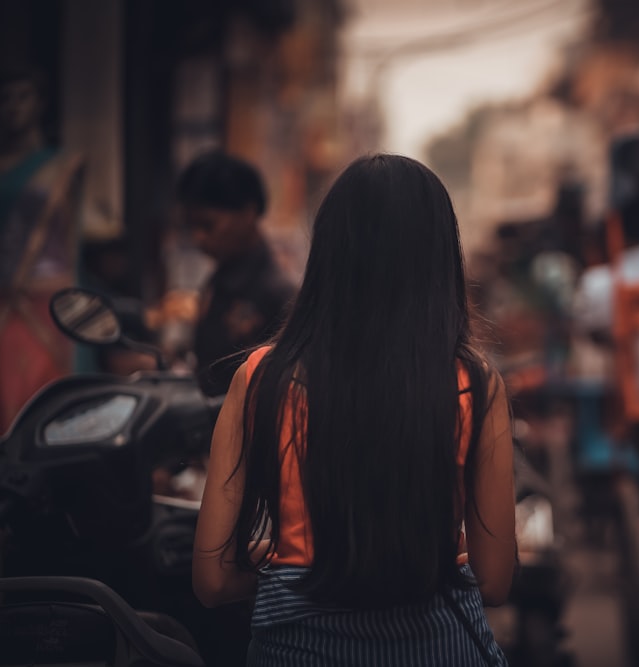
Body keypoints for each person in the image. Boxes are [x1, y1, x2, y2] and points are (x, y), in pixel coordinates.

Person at [192, 154, 517, 665]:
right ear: (438, 257)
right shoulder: (474, 386)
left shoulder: (260, 378)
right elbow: (495, 580)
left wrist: (282, 564)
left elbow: (211, 581)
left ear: (328, 253)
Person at [0, 66, 84, 432]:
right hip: (5, 298)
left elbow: (71, 241)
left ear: (41, 103)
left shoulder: (63, 166)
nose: (13, 108)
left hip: (44, 301)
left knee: (40, 403)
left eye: (23, 97)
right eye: (5, 99)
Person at [176, 150, 296, 397]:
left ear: (248, 213)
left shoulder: (279, 293)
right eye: (192, 226)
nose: (198, 237)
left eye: (208, 225)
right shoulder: (218, 280)